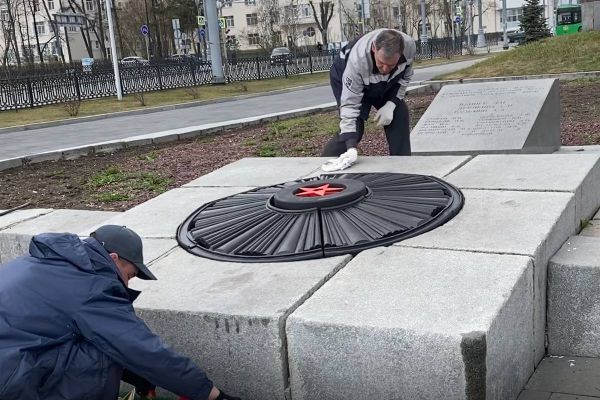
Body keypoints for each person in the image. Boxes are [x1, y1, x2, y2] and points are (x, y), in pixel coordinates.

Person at [0, 225, 241, 400]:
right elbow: (142, 349)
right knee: (98, 352)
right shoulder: (90, 285)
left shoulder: (41, 263)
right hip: (11, 383)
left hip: (10, 365)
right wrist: (210, 394)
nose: (126, 283)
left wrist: (139, 377)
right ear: (113, 258)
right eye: (130, 274)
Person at [321, 29, 416, 172]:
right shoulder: (357, 61)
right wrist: (352, 147)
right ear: (374, 48)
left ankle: (403, 167)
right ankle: (323, 162)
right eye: (381, 63)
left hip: (385, 82)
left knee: (399, 114)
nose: (385, 69)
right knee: (355, 128)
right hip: (347, 76)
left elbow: (405, 77)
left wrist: (391, 103)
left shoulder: (409, 47)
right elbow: (350, 106)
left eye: (391, 66)